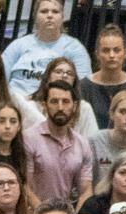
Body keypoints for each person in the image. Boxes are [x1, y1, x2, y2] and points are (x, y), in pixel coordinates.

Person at [21, 76, 89, 207]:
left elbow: (85, 191)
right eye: (54, 101)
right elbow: (25, 187)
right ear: (44, 106)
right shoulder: (28, 138)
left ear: (74, 106)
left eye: (66, 101)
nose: (60, 107)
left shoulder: (82, 144)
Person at [0, 0, 85, 96]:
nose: (49, 15)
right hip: (15, 101)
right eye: (44, 11)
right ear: (35, 17)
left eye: (55, 12)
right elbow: (0, 78)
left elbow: (83, 88)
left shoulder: (75, 48)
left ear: (62, 17)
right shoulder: (18, 45)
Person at [78, 22, 126, 130]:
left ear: (125, 53)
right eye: (106, 50)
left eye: (116, 50)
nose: (112, 55)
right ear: (97, 54)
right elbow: (79, 127)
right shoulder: (84, 86)